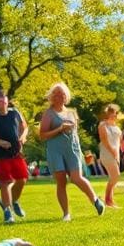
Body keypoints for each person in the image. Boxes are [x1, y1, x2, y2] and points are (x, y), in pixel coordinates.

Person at [39, 83, 105, 221]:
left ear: (66, 96)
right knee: (61, 182)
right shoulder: (48, 114)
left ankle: (96, 201)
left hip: (72, 149)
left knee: (76, 178)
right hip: (55, 151)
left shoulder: (72, 113)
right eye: (56, 94)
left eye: (62, 93)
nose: (59, 96)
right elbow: (43, 135)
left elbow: (75, 133)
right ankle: (66, 214)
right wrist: (59, 129)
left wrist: (79, 148)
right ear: (51, 96)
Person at [0, 88, 29, 223]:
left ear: (7, 100)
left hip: (16, 152)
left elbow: (24, 127)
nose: (1, 103)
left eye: (3, 100)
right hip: (0, 154)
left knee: (22, 179)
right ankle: (7, 212)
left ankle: (14, 201)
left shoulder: (15, 113)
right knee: (5, 182)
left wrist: (23, 137)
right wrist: (0, 142)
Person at [97, 104, 123, 208]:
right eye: (111, 113)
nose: (114, 115)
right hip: (107, 153)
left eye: (115, 113)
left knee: (113, 177)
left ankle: (109, 201)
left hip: (116, 154)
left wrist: (117, 154)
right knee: (116, 176)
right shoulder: (103, 125)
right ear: (107, 114)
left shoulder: (117, 127)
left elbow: (118, 142)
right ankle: (107, 200)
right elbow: (104, 140)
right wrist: (113, 152)